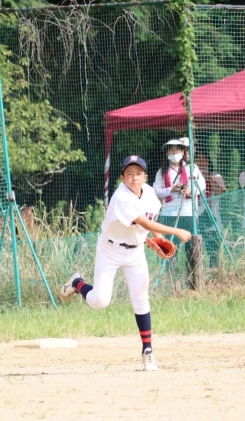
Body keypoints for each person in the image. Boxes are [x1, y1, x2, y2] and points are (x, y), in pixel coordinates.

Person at [59, 155, 191, 371]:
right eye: (129, 174)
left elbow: (151, 221)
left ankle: (148, 351)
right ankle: (77, 283)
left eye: (138, 173)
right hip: (109, 250)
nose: (134, 178)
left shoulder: (149, 193)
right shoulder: (121, 196)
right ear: (121, 178)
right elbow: (144, 222)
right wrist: (177, 231)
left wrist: (158, 238)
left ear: (145, 176)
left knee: (141, 298)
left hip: (135, 252)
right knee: (100, 301)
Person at [152, 138, 205, 270]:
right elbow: (155, 191)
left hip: (188, 213)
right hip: (169, 215)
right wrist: (171, 189)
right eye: (171, 150)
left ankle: (192, 278)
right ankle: (172, 278)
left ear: (182, 152)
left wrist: (190, 191)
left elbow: (201, 186)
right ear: (167, 153)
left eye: (177, 150)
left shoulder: (192, 168)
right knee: (170, 248)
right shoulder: (162, 171)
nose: (174, 153)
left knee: (191, 248)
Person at [189, 147, 226, 267]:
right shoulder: (191, 179)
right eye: (198, 159)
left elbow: (221, 193)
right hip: (196, 219)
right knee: (196, 253)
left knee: (214, 253)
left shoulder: (216, 176)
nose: (202, 162)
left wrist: (208, 177)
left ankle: (215, 274)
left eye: (204, 159)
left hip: (213, 220)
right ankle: (197, 274)